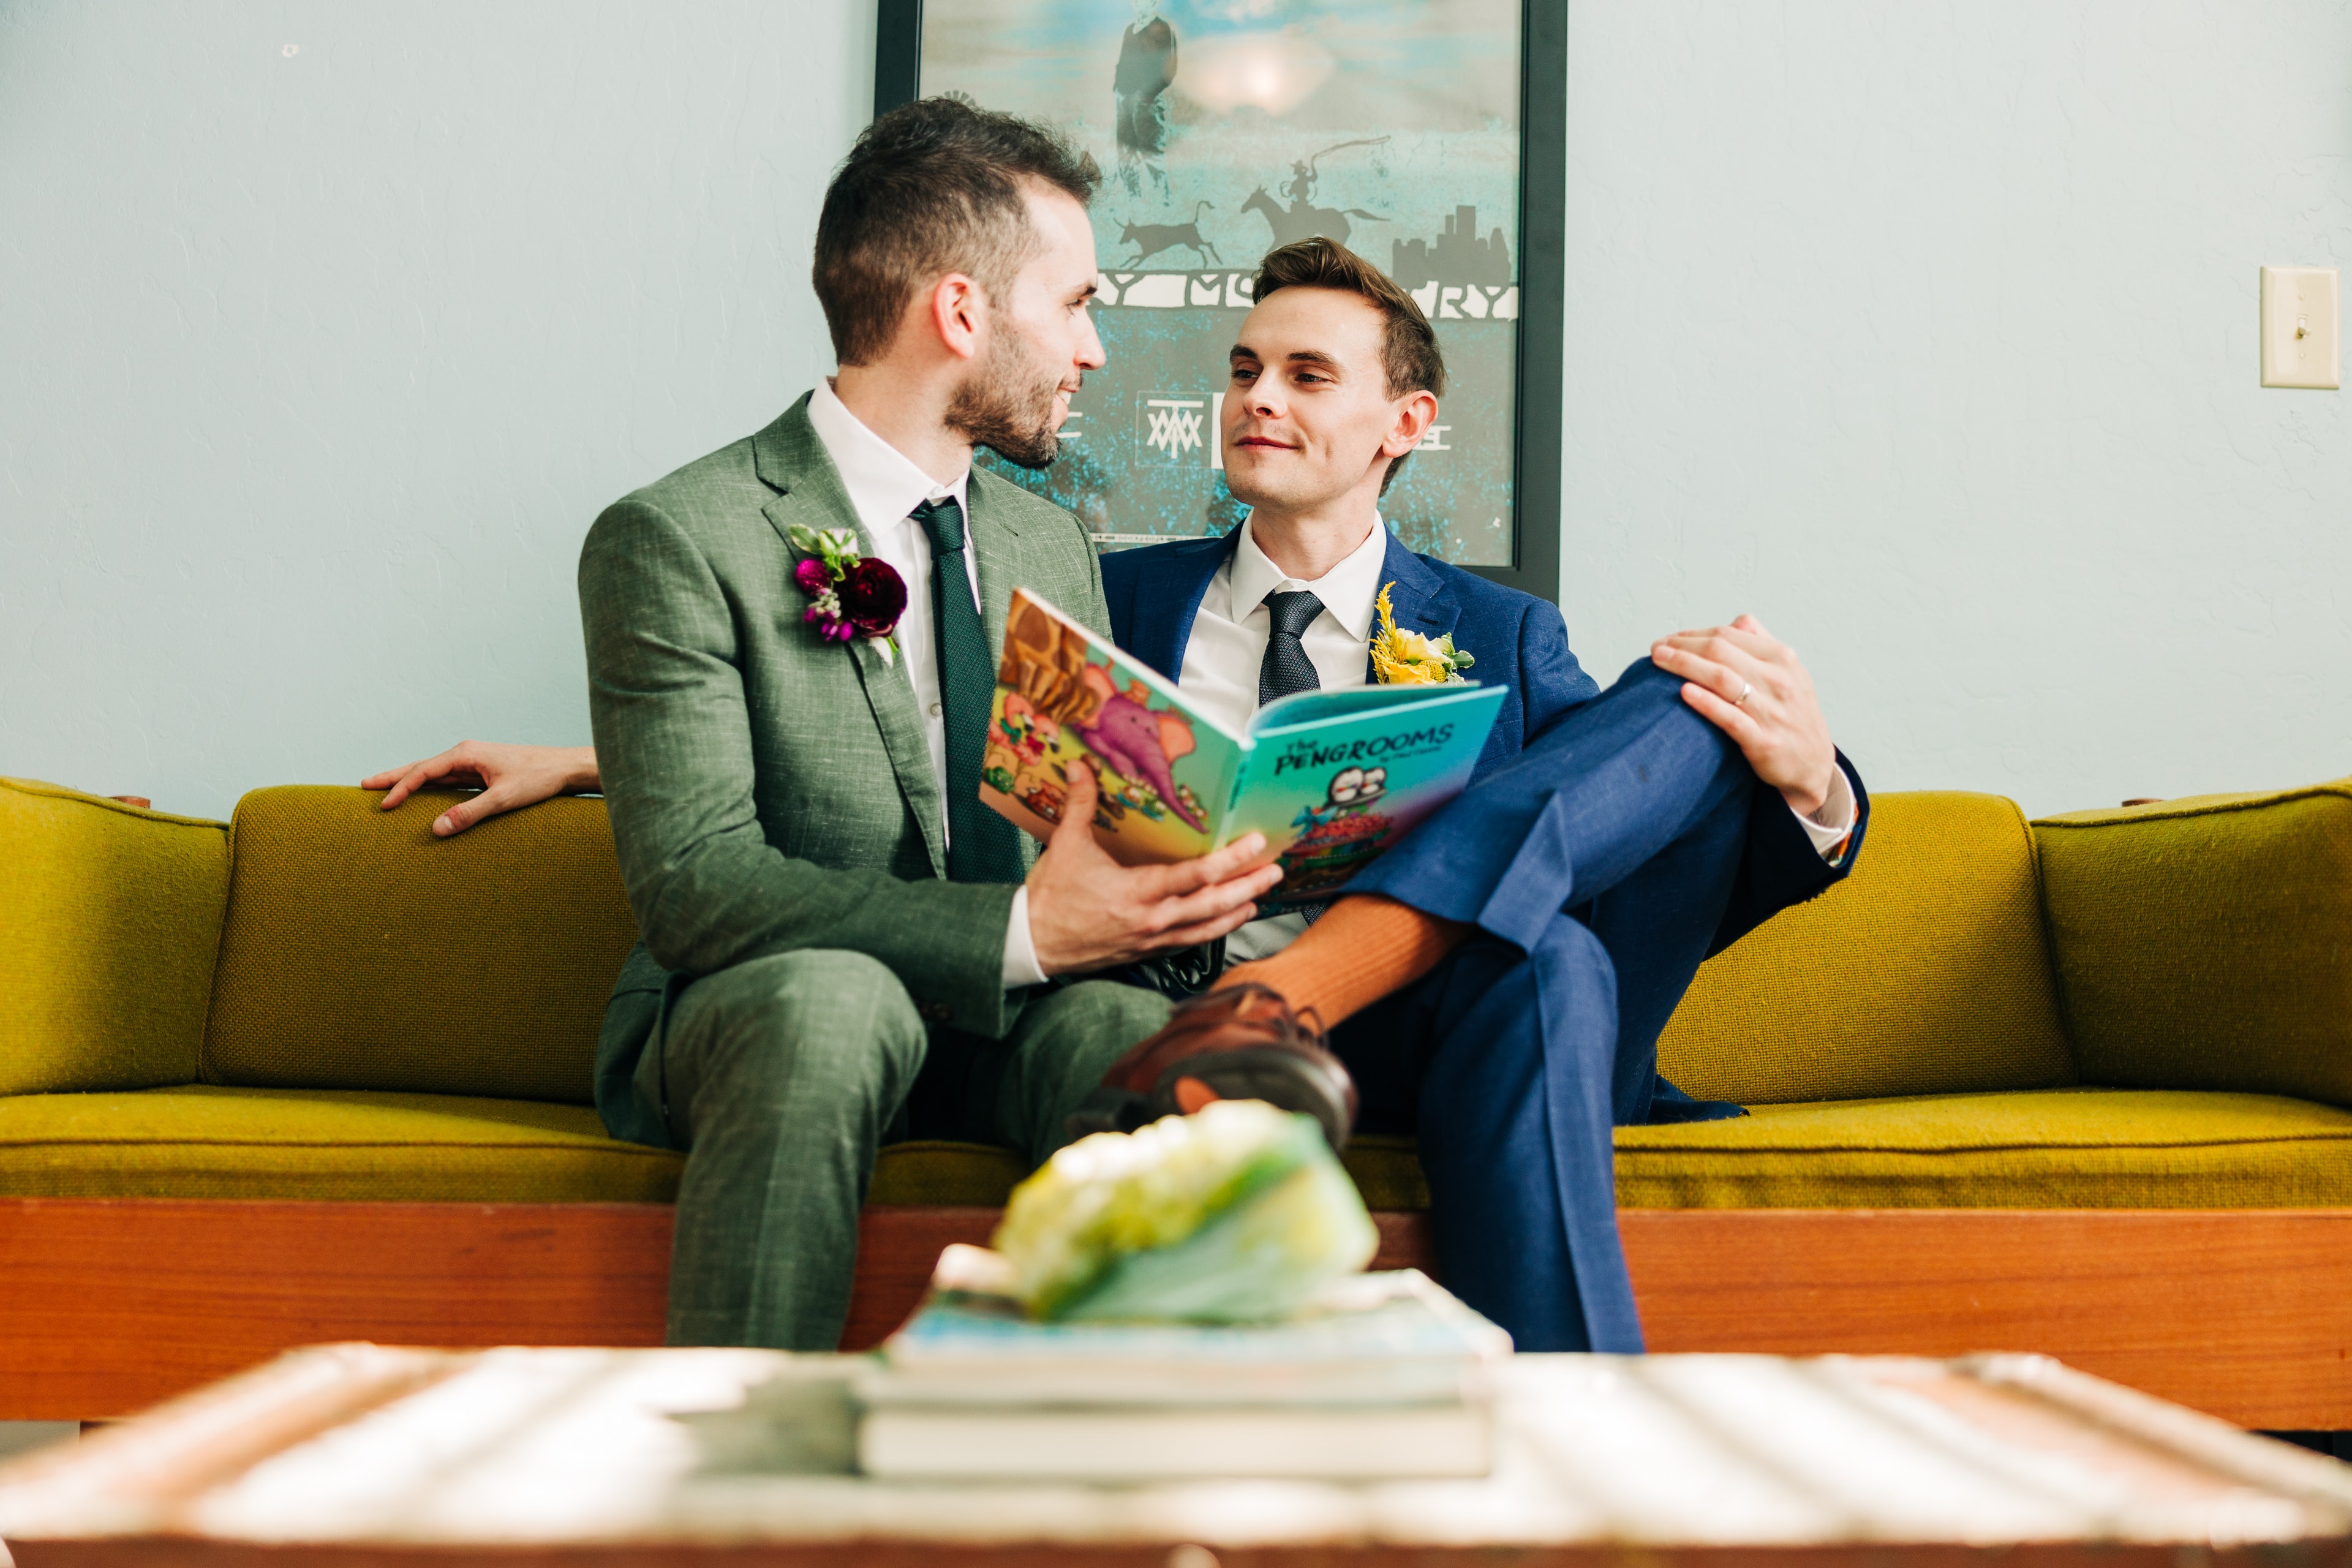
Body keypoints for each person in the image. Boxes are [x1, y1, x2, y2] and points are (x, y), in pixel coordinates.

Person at [370, 235, 1868, 1355]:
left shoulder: (1503, 631)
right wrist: (597, 758)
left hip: (1412, 1021)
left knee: (1649, 764)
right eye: (1241, 367)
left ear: (1404, 425)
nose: (1256, 397)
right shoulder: (1091, 581)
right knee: (1555, 952)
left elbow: (1607, 821)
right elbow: (926, 727)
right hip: (1160, 996)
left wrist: (1820, 791)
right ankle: (1561, 1437)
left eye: (1306, 373)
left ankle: (1321, 999)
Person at [435, 97, 1298, 1355]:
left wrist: (1176, 867)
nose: (1095, 348)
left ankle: (1112, 1490)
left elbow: (1057, 803)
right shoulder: (681, 535)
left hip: (1013, 1018)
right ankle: (738, 1502)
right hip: (772, 1010)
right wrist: (1016, 926)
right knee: (839, 1004)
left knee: (1132, 1038)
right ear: (962, 313)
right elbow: (697, 884)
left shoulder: (1044, 538)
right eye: (1075, 304)